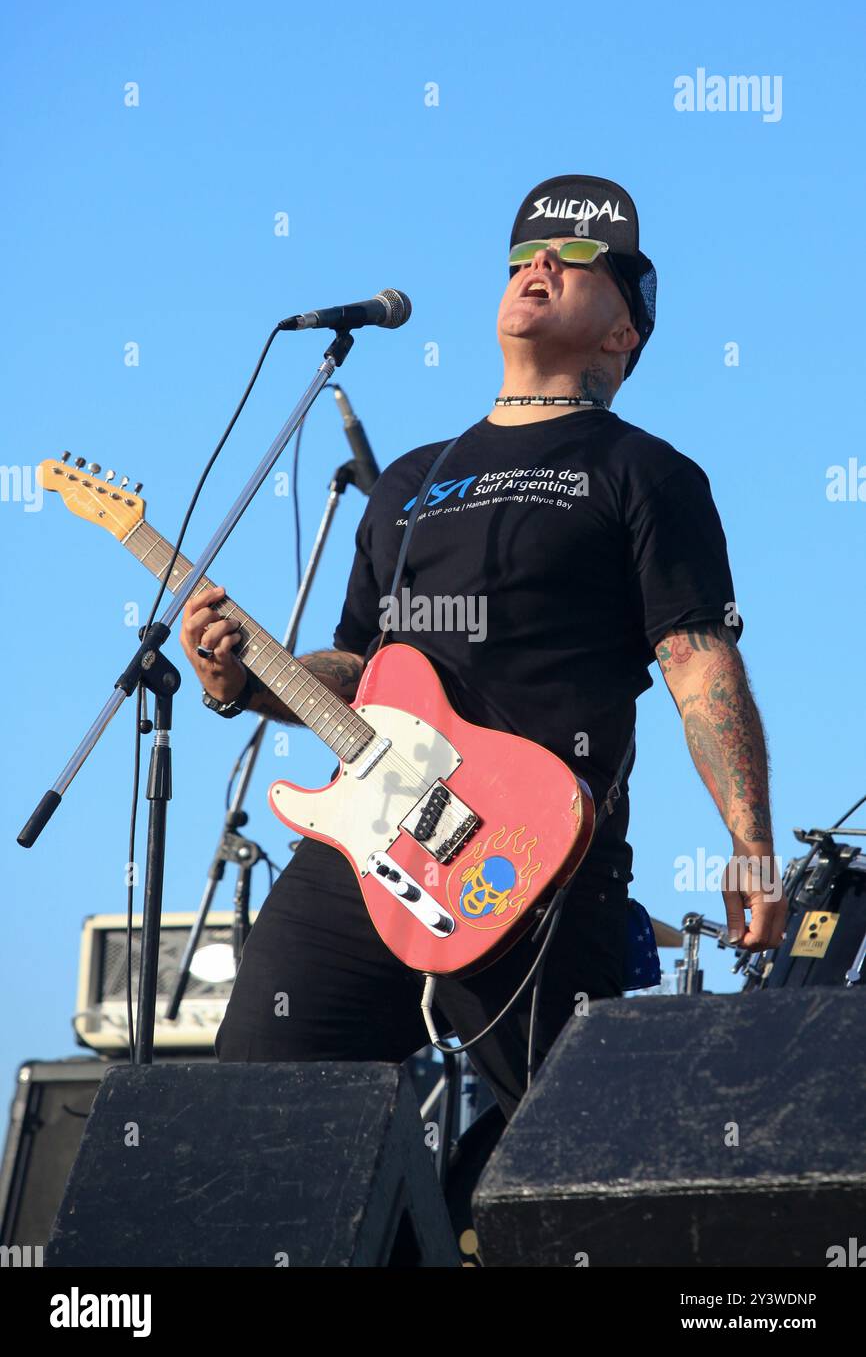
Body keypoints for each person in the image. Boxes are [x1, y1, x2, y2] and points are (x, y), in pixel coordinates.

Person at [180, 174, 785, 1121]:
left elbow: (698, 660)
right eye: (524, 256)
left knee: (570, 1151)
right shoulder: (414, 481)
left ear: (624, 333)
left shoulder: (645, 472)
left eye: (578, 260)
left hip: (531, 854)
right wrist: (242, 679)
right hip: (366, 852)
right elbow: (359, 669)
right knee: (261, 1107)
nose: (539, 265)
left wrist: (750, 845)